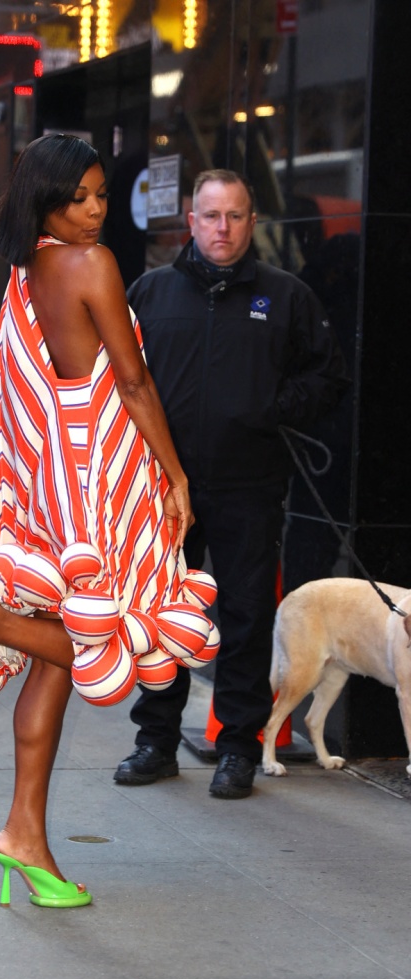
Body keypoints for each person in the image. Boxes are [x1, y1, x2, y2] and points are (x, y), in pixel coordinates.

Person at [0, 134, 196, 908]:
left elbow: (35, 388)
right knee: (118, 637)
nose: (94, 211)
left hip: (52, 477)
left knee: (59, 668)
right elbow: (132, 380)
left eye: (98, 194)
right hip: (103, 485)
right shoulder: (91, 265)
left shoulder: (27, 274)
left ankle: (26, 836)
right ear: (43, 201)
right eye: (77, 198)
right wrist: (177, 475)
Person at [113, 168, 350, 799]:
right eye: (211, 216)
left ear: (251, 220)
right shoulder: (151, 292)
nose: (223, 228)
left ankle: (239, 747)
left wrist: (270, 408)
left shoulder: (286, 295)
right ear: (190, 221)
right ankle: (155, 742)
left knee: (245, 617)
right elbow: (117, 378)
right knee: (164, 618)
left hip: (251, 483)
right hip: (164, 489)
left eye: (236, 216)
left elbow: (328, 377)